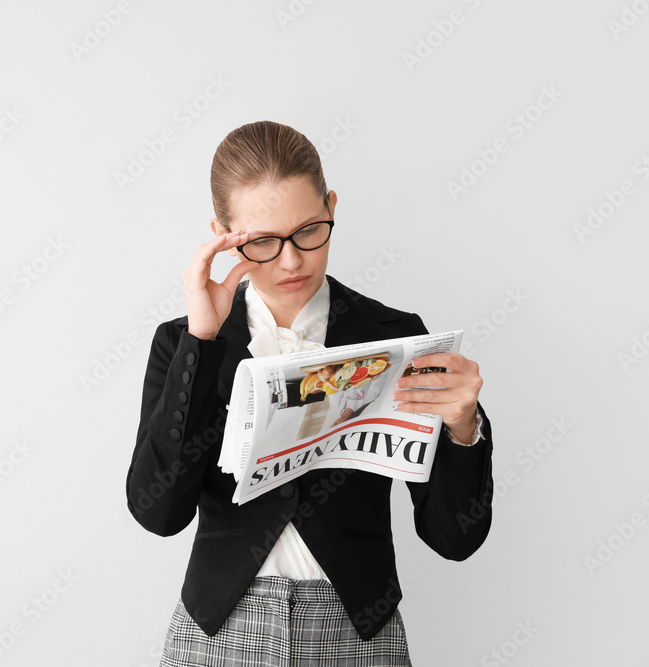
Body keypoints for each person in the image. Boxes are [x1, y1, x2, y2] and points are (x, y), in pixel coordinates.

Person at [126, 120, 493, 666]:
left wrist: (465, 431)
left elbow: (453, 539)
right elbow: (158, 513)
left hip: (358, 631)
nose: (291, 260)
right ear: (223, 234)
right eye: (262, 242)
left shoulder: (393, 336)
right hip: (220, 631)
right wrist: (201, 343)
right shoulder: (184, 343)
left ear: (332, 207)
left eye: (308, 231)